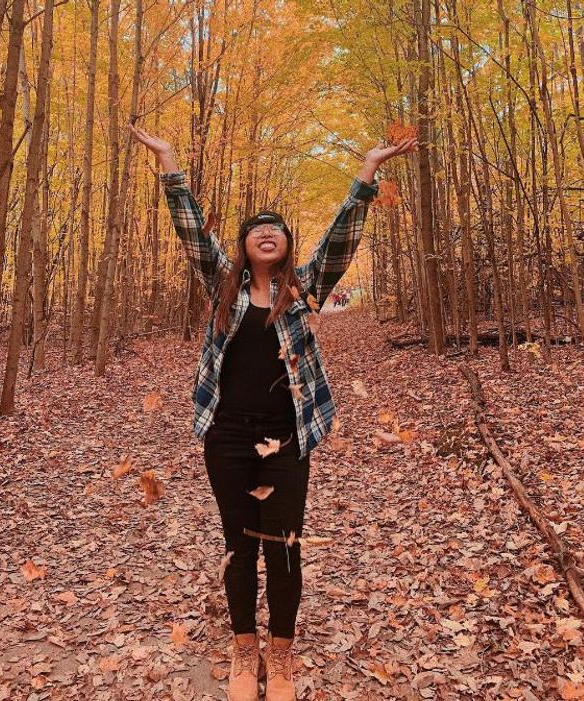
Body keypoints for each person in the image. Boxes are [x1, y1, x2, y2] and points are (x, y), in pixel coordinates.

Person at [130, 123, 418, 701]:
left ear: (287, 244)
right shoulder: (223, 286)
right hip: (227, 437)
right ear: (242, 246)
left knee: (283, 544)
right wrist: (168, 164)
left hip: (287, 438)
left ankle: (280, 656)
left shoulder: (304, 288)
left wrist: (367, 171)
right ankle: (244, 650)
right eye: (256, 231)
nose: (266, 234)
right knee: (238, 543)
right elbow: (190, 230)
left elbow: (342, 237)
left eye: (276, 230)